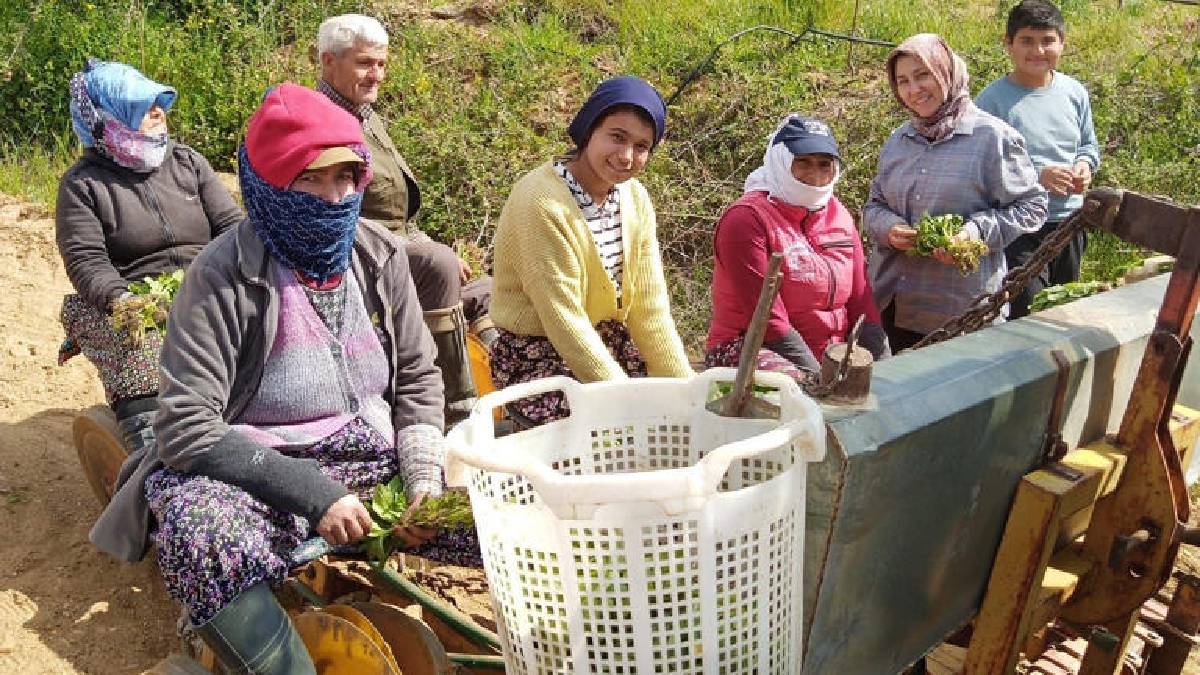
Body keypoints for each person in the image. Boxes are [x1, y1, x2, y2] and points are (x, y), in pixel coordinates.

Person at [88, 84, 447, 674]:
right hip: (260, 470)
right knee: (197, 527)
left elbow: (417, 378)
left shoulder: (379, 256)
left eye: (347, 178)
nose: (334, 199)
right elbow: (184, 427)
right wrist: (314, 495)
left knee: (498, 504)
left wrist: (424, 475)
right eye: (311, 180)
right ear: (270, 184)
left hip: (369, 455)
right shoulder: (222, 275)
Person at [56, 58, 241, 462]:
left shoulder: (186, 162)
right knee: (144, 353)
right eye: (142, 105)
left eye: (159, 101)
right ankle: (154, 464)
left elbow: (231, 226)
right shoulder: (82, 185)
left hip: (208, 281)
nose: (158, 112)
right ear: (106, 118)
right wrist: (124, 302)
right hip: (137, 300)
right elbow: (87, 260)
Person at [315, 13, 492, 422]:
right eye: (364, 63)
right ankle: (452, 411)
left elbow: (397, 212)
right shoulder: (322, 123)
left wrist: (427, 242)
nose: (375, 74)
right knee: (439, 265)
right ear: (328, 62)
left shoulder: (364, 116)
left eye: (381, 64)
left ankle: (510, 399)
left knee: (487, 289)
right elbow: (335, 214)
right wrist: (429, 252)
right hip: (355, 262)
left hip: (395, 249)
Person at [490, 76, 693, 424]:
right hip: (539, 353)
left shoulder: (634, 199)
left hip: (607, 345)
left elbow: (650, 309)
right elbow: (564, 320)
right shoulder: (541, 202)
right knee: (599, 429)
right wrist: (623, 403)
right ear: (589, 131)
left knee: (671, 413)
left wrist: (688, 393)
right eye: (617, 137)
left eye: (642, 146)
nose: (627, 156)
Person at [864, 34, 1047, 352]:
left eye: (923, 75)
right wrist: (889, 230)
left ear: (946, 72)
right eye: (903, 81)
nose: (914, 89)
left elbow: (1032, 205)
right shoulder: (899, 141)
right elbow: (874, 205)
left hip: (960, 310)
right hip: (894, 299)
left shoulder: (992, 137)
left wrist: (975, 232)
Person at [706, 114, 889, 380]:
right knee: (803, 396)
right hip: (752, 347)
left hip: (829, 351)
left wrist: (881, 362)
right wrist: (820, 381)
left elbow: (860, 298)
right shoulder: (746, 220)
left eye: (824, 165)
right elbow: (766, 318)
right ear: (781, 160)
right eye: (802, 163)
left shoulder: (839, 215)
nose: (814, 176)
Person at [976, 0, 1100, 319]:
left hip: (1070, 221)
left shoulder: (1074, 93)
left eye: (1048, 40)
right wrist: (1037, 176)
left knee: (1063, 307)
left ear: (1062, 43)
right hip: (1020, 227)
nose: (1038, 50)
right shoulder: (991, 102)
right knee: (1027, 309)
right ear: (1008, 44)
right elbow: (984, 169)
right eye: (1027, 41)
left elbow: (1088, 146)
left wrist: (1085, 167)